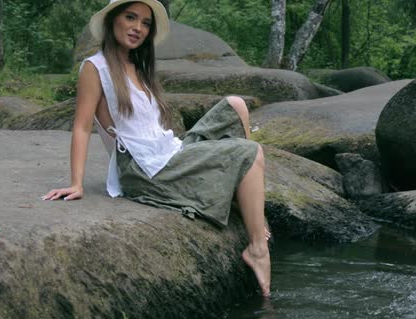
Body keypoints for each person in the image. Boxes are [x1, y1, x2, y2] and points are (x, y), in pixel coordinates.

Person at [42, 0, 270, 297]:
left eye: (145, 23)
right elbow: (82, 126)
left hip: (168, 152)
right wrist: (76, 183)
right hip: (143, 168)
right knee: (249, 153)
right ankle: (257, 248)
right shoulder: (94, 67)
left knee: (235, 104)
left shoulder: (138, 67)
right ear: (113, 20)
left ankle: (245, 197)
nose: (138, 28)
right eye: (130, 17)